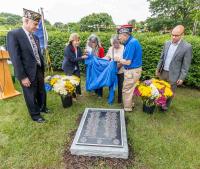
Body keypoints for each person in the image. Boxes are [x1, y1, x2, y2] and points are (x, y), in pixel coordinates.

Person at [7, 8, 49, 123]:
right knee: (30, 93)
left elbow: (37, 53)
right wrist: (22, 76)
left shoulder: (35, 37)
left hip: (38, 69)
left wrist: (42, 66)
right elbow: (15, 58)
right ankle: (35, 115)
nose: (37, 27)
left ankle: (42, 107)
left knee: (41, 90)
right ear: (26, 21)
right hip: (26, 72)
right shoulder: (14, 34)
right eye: (35, 24)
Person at [156, 25, 192, 111]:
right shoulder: (167, 43)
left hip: (174, 74)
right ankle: (158, 103)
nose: (174, 37)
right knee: (160, 89)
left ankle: (165, 107)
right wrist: (157, 69)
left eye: (176, 35)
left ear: (182, 35)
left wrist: (181, 77)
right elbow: (162, 57)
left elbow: (185, 64)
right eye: (172, 35)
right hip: (163, 71)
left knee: (170, 92)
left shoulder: (187, 47)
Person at [117, 25, 142, 112]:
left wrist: (119, 59)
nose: (119, 39)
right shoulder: (132, 41)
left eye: (120, 36)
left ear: (125, 35)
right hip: (135, 70)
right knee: (131, 89)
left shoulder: (131, 43)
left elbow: (128, 62)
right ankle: (131, 104)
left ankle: (127, 108)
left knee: (126, 89)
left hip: (131, 71)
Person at [105, 34, 124, 103]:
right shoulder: (111, 48)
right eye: (113, 43)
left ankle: (120, 100)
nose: (115, 45)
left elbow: (125, 59)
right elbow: (107, 57)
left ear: (119, 41)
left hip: (121, 70)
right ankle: (111, 96)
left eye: (116, 43)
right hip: (112, 70)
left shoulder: (124, 48)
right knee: (111, 84)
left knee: (120, 85)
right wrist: (100, 60)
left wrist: (118, 67)